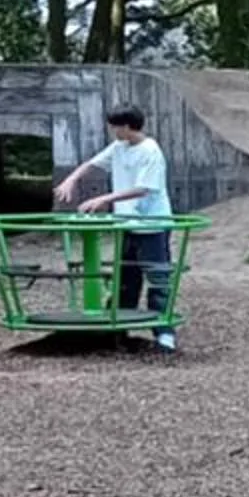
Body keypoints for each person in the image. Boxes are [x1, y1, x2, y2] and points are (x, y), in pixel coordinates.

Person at [53, 106, 178, 353]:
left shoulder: (150, 151)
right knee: (125, 279)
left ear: (127, 127)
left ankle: (164, 333)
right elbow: (92, 163)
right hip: (127, 224)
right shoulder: (119, 147)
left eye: (115, 127)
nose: (113, 131)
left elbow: (144, 188)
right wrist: (71, 179)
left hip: (151, 224)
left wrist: (105, 199)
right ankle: (118, 329)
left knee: (157, 277)